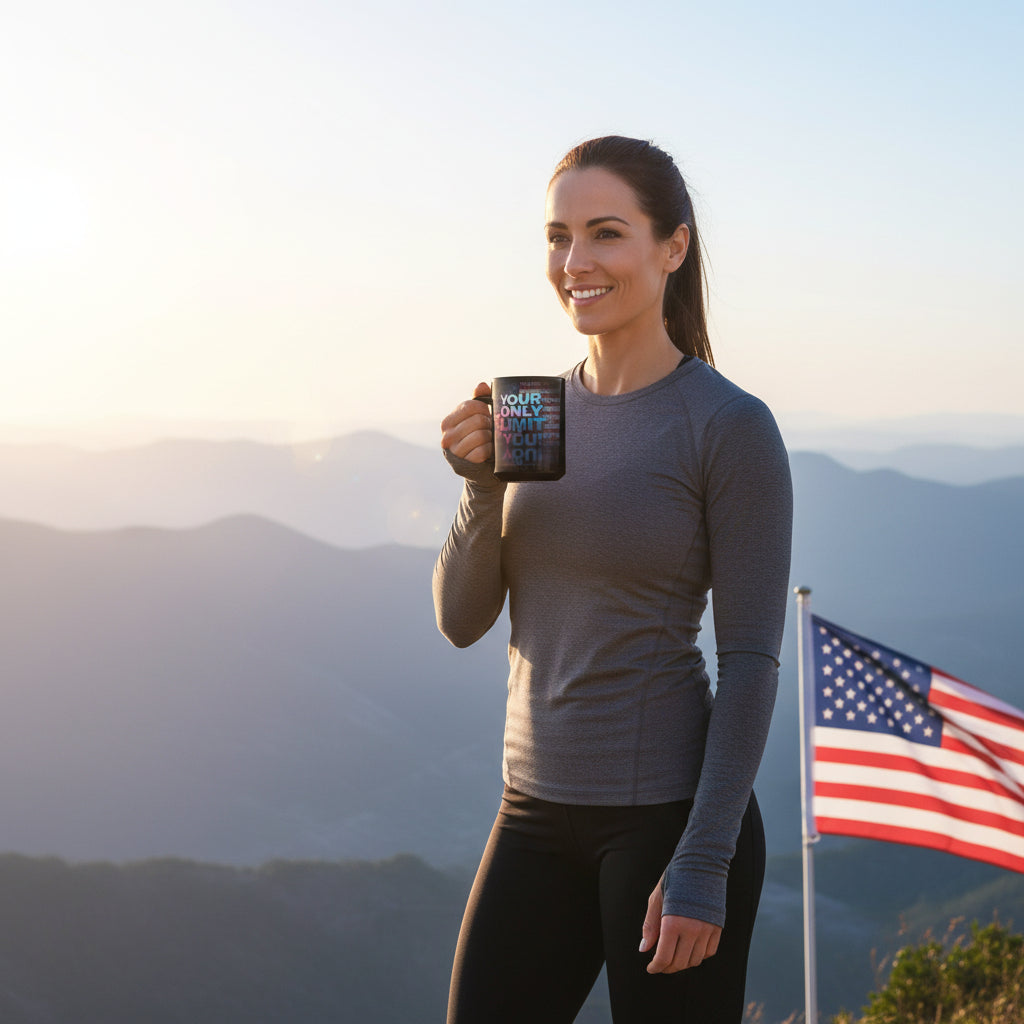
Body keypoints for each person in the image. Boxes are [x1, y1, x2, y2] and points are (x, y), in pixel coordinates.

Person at [433, 135, 793, 1024]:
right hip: (531, 812)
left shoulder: (728, 425)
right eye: (558, 237)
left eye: (604, 233)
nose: (574, 262)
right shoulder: (532, 411)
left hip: (666, 824)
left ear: (672, 247)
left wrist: (704, 862)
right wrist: (481, 489)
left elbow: (749, 659)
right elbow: (460, 618)